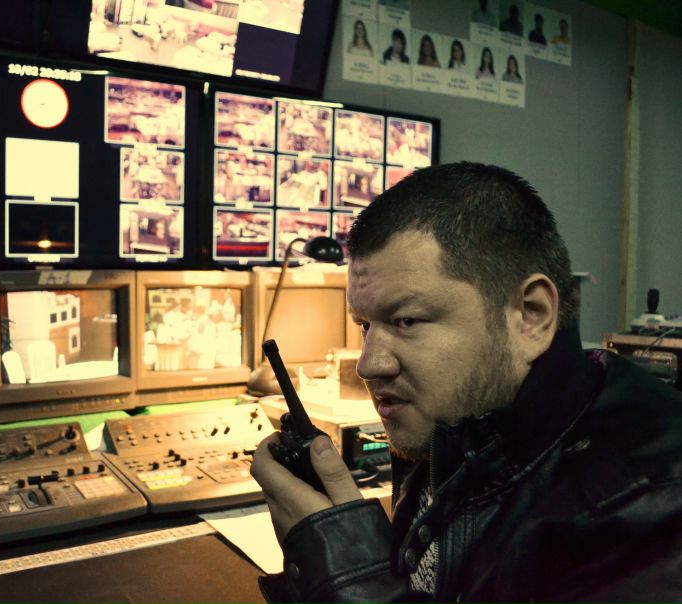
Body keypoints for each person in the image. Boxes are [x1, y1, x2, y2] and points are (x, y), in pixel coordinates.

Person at [250, 162, 682, 603]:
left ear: (531, 316)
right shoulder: (459, 415)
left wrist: (350, 577)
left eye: (407, 320)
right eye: (365, 325)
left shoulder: (651, 514)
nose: (368, 364)